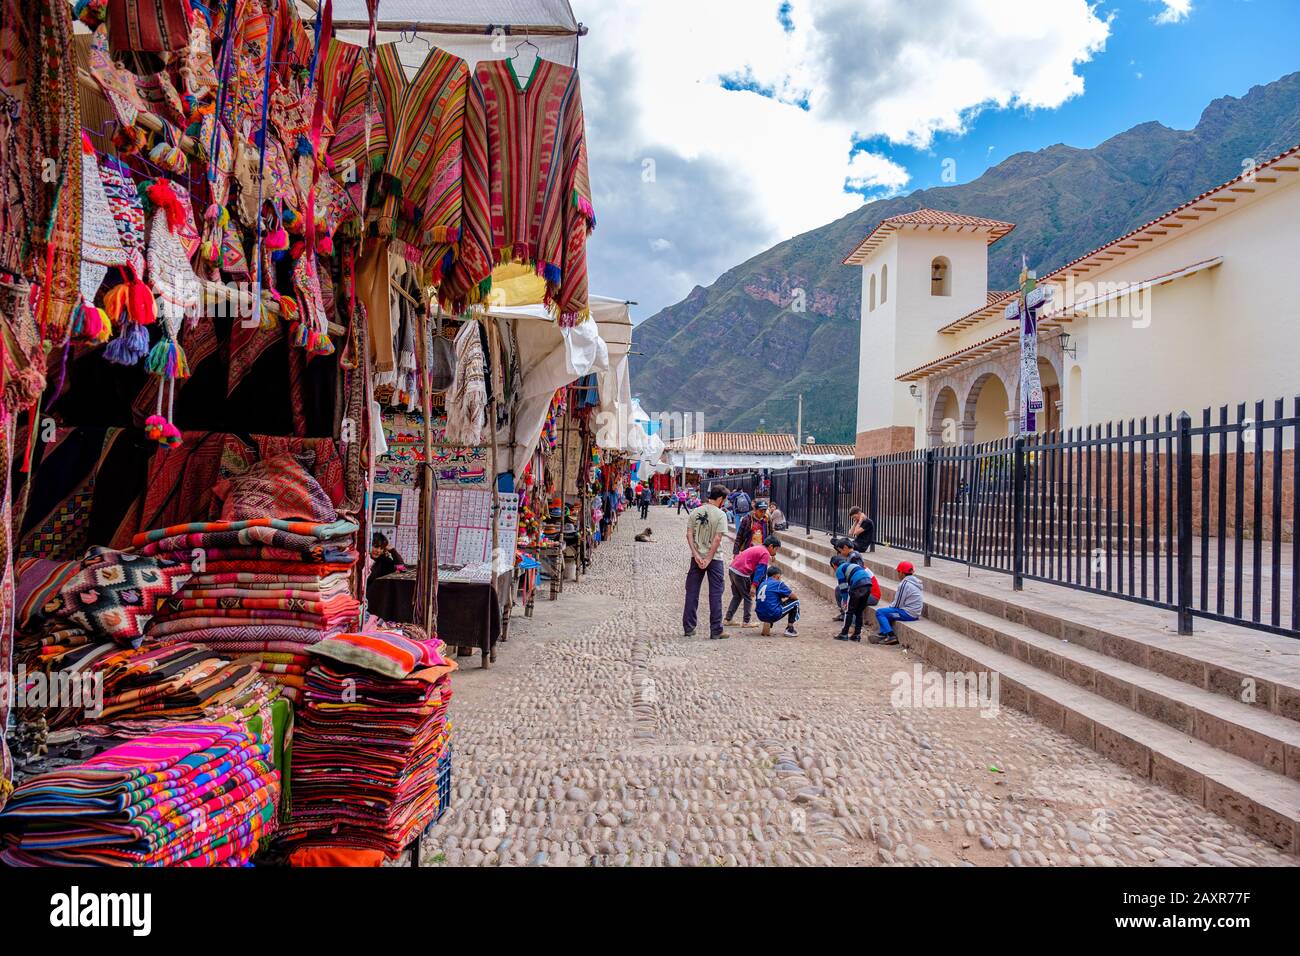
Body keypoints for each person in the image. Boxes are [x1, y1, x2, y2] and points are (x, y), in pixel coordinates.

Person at [683, 485, 729, 640]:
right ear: (721, 499)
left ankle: (689, 627)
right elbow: (717, 538)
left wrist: (696, 554)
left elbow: (689, 534)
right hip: (714, 558)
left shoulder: (695, 512)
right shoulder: (721, 515)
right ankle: (716, 630)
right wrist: (709, 557)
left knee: (692, 592)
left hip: (696, 558)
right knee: (716, 593)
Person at [725, 536, 780, 628]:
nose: (775, 552)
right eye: (776, 549)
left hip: (732, 569)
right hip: (741, 572)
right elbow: (760, 571)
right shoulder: (765, 553)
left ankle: (728, 619)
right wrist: (754, 586)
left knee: (737, 596)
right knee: (748, 597)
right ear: (771, 546)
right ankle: (746, 622)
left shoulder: (758, 548)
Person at [874, 561, 924, 646]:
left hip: (909, 614)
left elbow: (897, 604)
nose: (898, 574)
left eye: (898, 572)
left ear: (901, 572)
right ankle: (883, 633)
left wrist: (889, 608)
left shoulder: (905, 584)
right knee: (887, 612)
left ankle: (891, 636)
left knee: (880, 612)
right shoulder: (914, 582)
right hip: (914, 612)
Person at [835, 557, 880, 642]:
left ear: (834, 565)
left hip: (858, 585)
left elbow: (843, 588)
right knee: (859, 611)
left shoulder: (839, 569)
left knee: (849, 611)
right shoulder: (852, 566)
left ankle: (844, 634)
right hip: (868, 585)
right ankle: (857, 635)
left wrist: (845, 601)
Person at [755, 566, 799, 637]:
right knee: (796, 602)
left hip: (760, 615)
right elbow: (794, 597)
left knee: (773, 601)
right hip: (772, 614)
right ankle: (789, 629)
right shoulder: (779, 584)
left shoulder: (762, 583)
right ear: (777, 576)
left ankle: (769, 622)